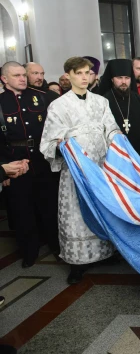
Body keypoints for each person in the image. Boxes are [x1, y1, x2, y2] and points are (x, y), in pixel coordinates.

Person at [40, 56, 120, 284]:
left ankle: (104, 253)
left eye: (88, 73)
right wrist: (64, 144)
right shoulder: (59, 105)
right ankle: (77, 263)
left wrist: (119, 144)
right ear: (69, 75)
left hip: (100, 166)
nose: (85, 77)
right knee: (76, 213)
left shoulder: (100, 102)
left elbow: (111, 128)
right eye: (79, 73)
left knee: (101, 209)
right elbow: (48, 141)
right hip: (76, 171)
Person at [0, 62, 61, 268]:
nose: (22, 78)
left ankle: (56, 245)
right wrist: (3, 170)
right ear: (4, 79)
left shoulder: (43, 96)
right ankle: (29, 251)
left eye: (23, 75)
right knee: (22, 211)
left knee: (50, 206)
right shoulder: (1, 102)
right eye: (16, 75)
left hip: (43, 161)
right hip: (15, 164)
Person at [100, 59, 140, 168]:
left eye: (127, 78)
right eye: (119, 78)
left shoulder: (139, 100)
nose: (124, 82)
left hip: (139, 156)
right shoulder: (103, 101)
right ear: (112, 79)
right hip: (114, 158)